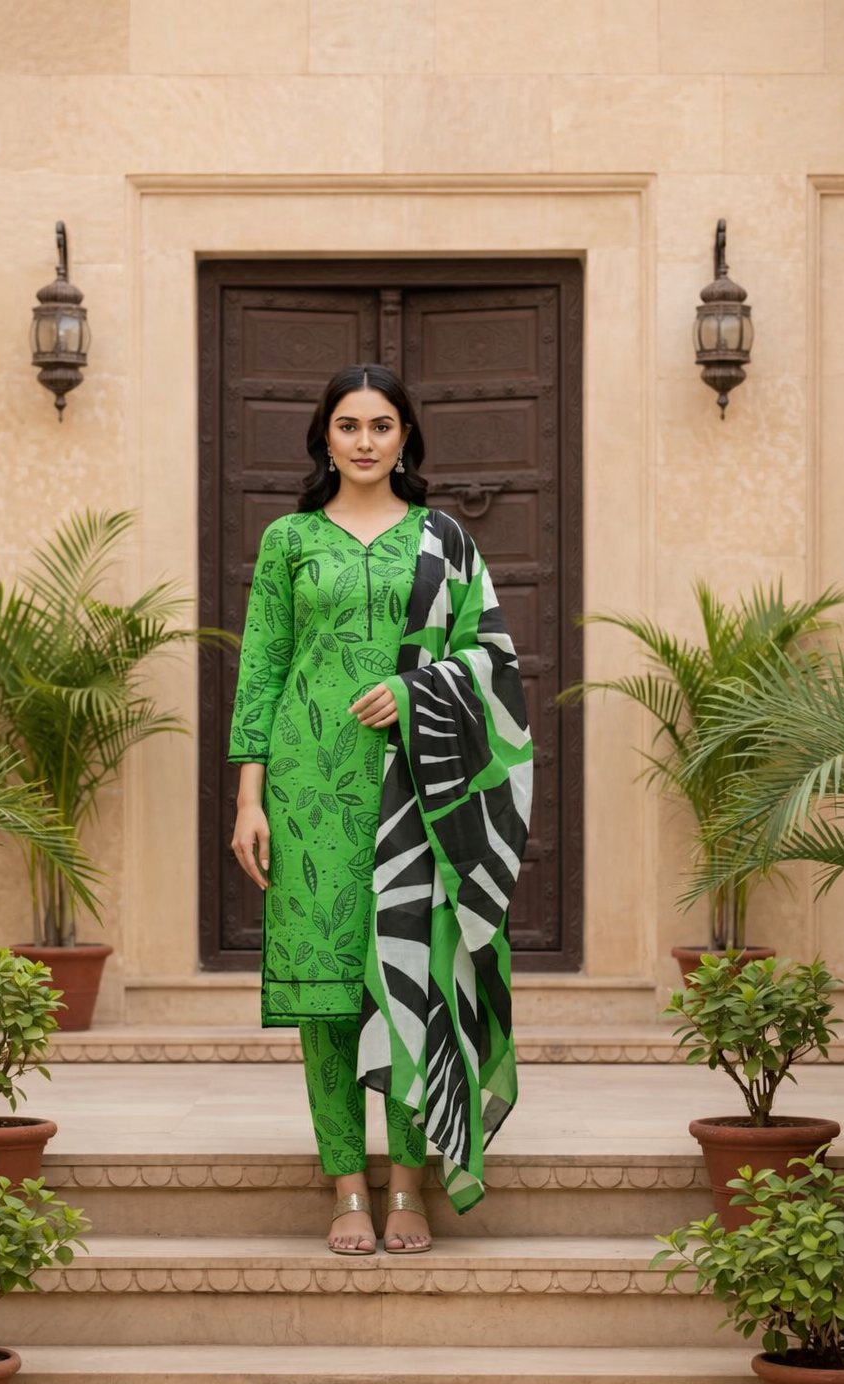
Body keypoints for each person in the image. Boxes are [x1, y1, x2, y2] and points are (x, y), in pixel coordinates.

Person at [229, 363, 532, 1256]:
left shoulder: (442, 540)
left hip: (417, 795)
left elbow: (495, 660)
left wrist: (416, 692)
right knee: (327, 998)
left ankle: (408, 1182)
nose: (365, 441)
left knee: (411, 971)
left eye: (383, 425)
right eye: (350, 425)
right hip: (306, 788)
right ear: (325, 436)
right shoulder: (289, 540)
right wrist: (250, 799)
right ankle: (345, 1185)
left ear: (406, 439)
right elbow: (262, 669)